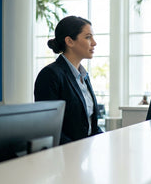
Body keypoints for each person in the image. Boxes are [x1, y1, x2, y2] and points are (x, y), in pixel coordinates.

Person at [34, 16, 103, 145]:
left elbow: (91, 125)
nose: (94, 43)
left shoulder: (84, 77)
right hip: (65, 155)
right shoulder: (50, 75)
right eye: (88, 37)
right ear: (70, 41)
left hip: (84, 152)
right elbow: (49, 127)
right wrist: (74, 151)